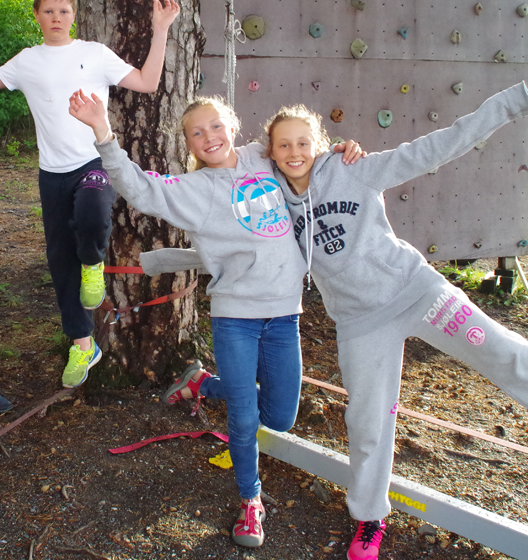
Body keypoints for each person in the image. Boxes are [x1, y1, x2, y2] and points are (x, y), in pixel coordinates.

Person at [255, 82, 528, 560]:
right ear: (271, 152)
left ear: (319, 143)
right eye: (283, 145)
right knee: (367, 419)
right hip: (360, 322)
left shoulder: (354, 169)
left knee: (502, 351)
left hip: (416, 291)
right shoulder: (269, 200)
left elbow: (432, 150)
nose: (295, 152)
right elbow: (235, 199)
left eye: (303, 142)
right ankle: (370, 518)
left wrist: (507, 104)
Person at [67, 89, 362, 548]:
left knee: (280, 416)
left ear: (232, 127)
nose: (210, 137)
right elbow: (137, 186)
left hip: (284, 316)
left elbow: (301, 154)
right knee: (244, 419)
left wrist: (339, 151)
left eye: (216, 126)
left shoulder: (261, 157)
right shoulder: (194, 190)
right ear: (188, 143)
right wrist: (102, 130)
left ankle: (202, 383)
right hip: (236, 319)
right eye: (197, 133)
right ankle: (251, 501)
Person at [0, 0, 179, 388]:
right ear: (37, 16)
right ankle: (82, 344)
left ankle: (93, 264)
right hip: (51, 173)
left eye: (64, 11)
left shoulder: (94, 54)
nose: (56, 18)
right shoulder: (28, 60)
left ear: (74, 15)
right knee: (58, 259)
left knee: (91, 214)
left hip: (95, 159)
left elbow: (146, 81)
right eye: (48, 11)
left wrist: (160, 29)